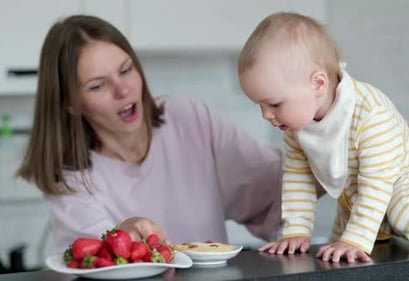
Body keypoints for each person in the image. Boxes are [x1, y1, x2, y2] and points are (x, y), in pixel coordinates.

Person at [16, 14, 284, 254]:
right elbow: (96, 261)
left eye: (126, 70)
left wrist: (320, 145)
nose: (123, 90)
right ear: (70, 103)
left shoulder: (188, 118)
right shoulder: (70, 178)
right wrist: (122, 234)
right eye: (98, 86)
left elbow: (277, 184)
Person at [237, 12, 409, 263]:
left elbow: (377, 180)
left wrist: (356, 238)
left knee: (405, 213)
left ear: (318, 84)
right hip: (358, 191)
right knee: (337, 247)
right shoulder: (295, 126)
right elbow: (298, 178)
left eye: (275, 104)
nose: (266, 115)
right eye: (260, 106)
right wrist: (296, 231)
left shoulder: (370, 115)